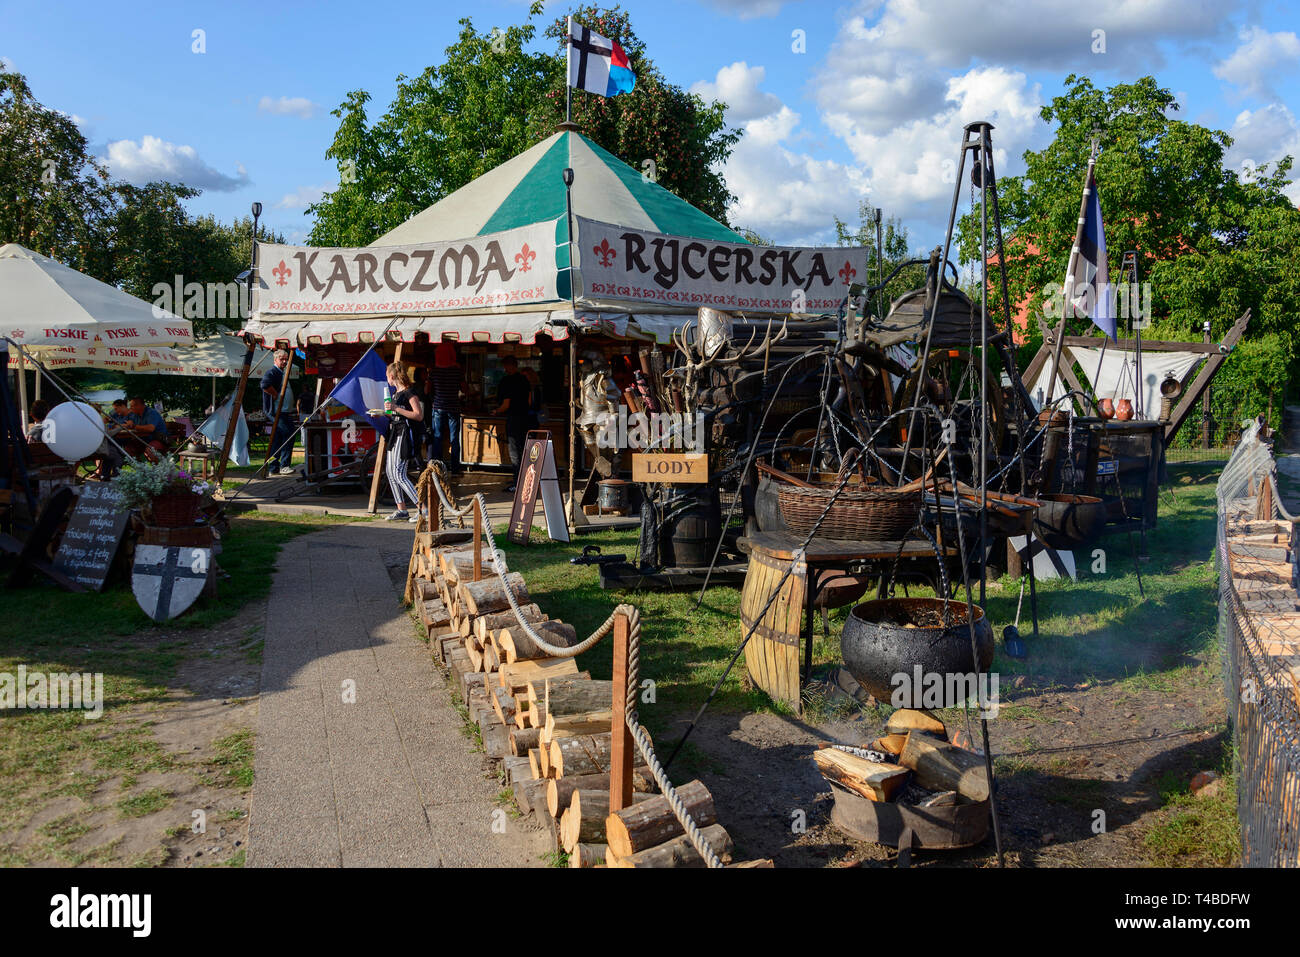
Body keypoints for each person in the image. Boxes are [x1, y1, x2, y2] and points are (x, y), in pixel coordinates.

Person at [383, 362, 424, 521]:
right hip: (395, 433)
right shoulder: (395, 394)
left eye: (387, 375)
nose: (387, 379)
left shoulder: (409, 393)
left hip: (405, 434)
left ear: (392, 376)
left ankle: (422, 508)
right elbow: (395, 415)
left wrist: (396, 408)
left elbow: (418, 415)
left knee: (399, 473)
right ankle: (401, 509)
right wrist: (383, 413)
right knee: (390, 472)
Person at [494, 355, 532, 492]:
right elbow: (529, 401)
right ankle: (525, 480)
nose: (504, 369)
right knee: (524, 450)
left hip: (514, 418)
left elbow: (506, 404)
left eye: (505, 366)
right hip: (525, 418)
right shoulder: (524, 380)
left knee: (515, 453)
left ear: (509, 366)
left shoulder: (507, 381)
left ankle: (518, 483)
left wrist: (496, 411)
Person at [259, 348, 297, 475]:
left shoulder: (281, 372)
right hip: (277, 411)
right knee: (289, 434)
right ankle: (284, 466)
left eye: (286, 359)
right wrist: (275, 394)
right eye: (282, 359)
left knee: (277, 439)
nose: (285, 361)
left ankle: (273, 467)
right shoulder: (273, 372)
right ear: (275, 359)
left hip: (283, 411)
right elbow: (264, 384)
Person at [429, 342, 464, 473]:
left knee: (437, 437)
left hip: (438, 407)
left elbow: (427, 390)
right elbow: (465, 388)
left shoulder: (433, 371)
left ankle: (438, 468)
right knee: (454, 438)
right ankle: (455, 469)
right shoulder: (457, 371)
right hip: (454, 407)